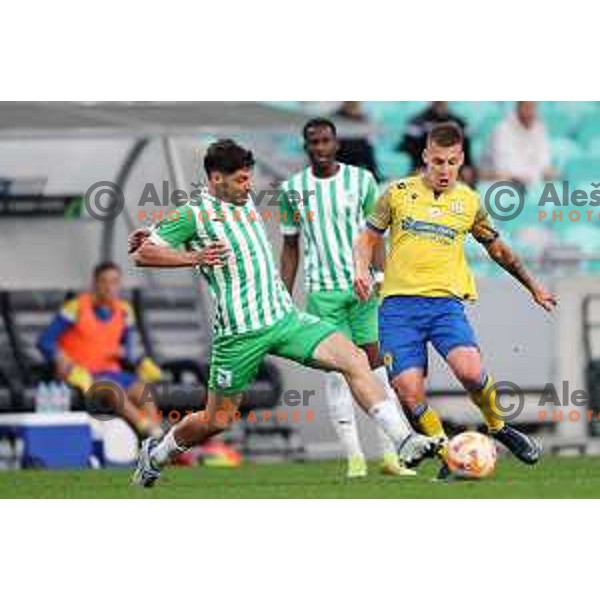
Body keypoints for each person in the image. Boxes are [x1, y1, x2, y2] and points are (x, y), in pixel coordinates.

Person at [129, 139, 440, 488]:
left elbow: (154, 237)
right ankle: (156, 454)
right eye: (241, 180)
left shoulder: (241, 201)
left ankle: (404, 440)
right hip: (239, 333)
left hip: (283, 318)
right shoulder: (193, 214)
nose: (249, 187)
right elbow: (143, 254)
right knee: (218, 419)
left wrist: (156, 234)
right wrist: (193, 257)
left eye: (249, 178)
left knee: (353, 358)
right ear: (216, 179)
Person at [354, 122, 557, 480]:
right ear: (425, 158)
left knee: (470, 372)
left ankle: (498, 428)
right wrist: (360, 270)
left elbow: (497, 249)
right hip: (398, 308)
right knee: (408, 392)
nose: (445, 170)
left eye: (451, 162)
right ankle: (449, 453)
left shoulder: (468, 201)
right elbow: (368, 238)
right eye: (438, 162)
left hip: (445, 305)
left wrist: (533, 286)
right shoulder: (396, 193)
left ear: (461, 158)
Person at [279, 117, 413, 478]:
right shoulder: (293, 189)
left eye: (326, 141)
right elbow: (290, 247)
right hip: (323, 294)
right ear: (306, 146)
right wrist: (282, 296)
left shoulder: (361, 180)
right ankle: (354, 459)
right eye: (314, 142)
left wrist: (382, 278)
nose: (320, 148)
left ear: (336, 144)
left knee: (377, 372)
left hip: (363, 289)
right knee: (338, 375)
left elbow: (376, 235)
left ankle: (390, 456)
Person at [38, 262, 163, 440]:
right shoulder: (76, 307)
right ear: (95, 283)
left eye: (114, 282)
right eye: (104, 281)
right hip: (82, 375)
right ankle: (145, 427)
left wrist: (136, 360)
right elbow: (45, 341)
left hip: (112, 371)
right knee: (112, 389)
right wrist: (59, 357)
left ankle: (156, 433)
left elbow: (127, 350)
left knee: (142, 390)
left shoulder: (125, 311)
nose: (109, 287)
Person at [398, 101, 476, 185]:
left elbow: (465, 147)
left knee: (466, 174)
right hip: (426, 164)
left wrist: (467, 166)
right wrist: (419, 165)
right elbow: (410, 147)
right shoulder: (418, 122)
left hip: (452, 165)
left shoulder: (458, 122)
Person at [480, 101, 556, 185]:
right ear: (518, 107)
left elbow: (545, 162)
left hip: (531, 182)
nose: (530, 111)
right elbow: (503, 166)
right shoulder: (502, 130)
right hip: (501, 183)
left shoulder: (540, 128)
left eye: (532, 107)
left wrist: (544, 173)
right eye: (526, 107)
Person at [334, 102, 382, 181]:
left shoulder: (362, 117)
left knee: (367, 147)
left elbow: (368, 134)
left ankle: (374, 177)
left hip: (358, 149)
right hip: (342, 149)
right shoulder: (336, 116)